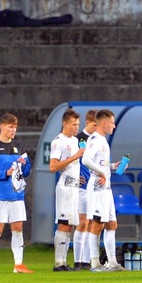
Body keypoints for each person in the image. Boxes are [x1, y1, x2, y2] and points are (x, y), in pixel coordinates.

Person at [0, 113, 34, 274]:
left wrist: (24, 167)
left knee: (18, 227)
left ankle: (18, 265)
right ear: (2, 127)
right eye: (11, 127)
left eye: (15, 127)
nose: (13, 130)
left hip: (16, 193)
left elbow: (27, 170)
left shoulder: (18, 147)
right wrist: (5, 173)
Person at [83, 109, 126, 272]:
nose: (114, 126)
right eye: (113, 123)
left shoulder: (103, 140)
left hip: (106, 188)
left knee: (112, 224)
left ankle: (112, 262)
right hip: (97, 188)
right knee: (97, 223)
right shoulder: (95, 139)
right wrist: (101, 172)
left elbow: (99, 163)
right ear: (105, 123)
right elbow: (86, 159)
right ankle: (94, 263)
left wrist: (113, 166)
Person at [49, 109, 85, 271]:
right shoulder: (59, 142)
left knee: (69, 225)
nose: (76, 127)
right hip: (65, 189)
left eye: (78, 124)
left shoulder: (74, 141)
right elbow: (53, 166)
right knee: (63, 224)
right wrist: (74, 156)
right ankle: (58, 263)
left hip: (74, 187)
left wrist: (78, 178)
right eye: (73, 124)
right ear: (65, 123)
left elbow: (71, 165)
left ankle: (63, 262)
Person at [73, 109, 97, 270]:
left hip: (94, 188)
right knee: (82, 222)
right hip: (81, 187)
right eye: (95, 125)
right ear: (87, 123)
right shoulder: (77, 140)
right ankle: (78, 260)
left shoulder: (99, 140)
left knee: (91, 223)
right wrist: (75, 177)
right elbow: (71, 161)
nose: (97, 128)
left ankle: (87, 260)